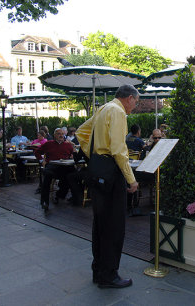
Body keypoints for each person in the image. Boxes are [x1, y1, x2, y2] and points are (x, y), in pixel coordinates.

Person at [76, 84, 139, 289]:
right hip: (112, 173)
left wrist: (94, 155)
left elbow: (81, 132)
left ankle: (99, 270)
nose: (135, 107)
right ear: (129, 98)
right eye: (136, 102)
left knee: (100, 224)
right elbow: (119, 150)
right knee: (114, 225)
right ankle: (109, 275)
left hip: (97, 170)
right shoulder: (118, 112)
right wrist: (131, 179)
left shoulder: (103, 108)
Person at [35, 128, 76, 211]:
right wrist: (41, 160)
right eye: (58, 134)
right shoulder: (48, 144)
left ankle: (62, 196)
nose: (61, 135)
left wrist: (73, 154)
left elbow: (74, 155)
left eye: (62, 134)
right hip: (52, 166)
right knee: (47, 177)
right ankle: (45, 201)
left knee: (72, 175)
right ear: (54, 135)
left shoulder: (68, 145)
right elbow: (37, 152)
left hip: (64, 167)